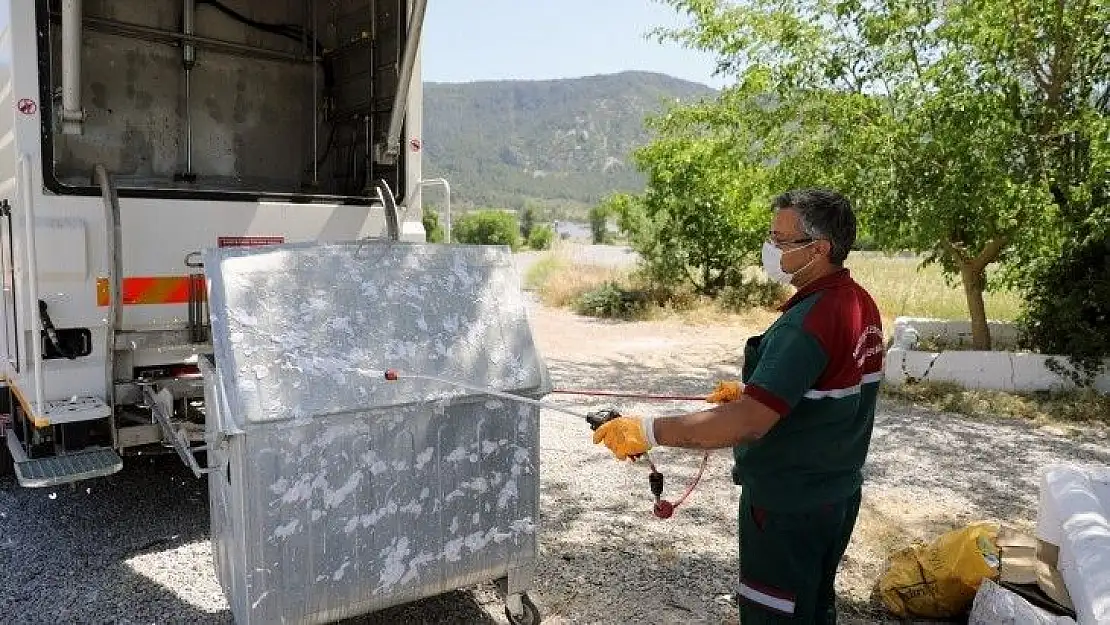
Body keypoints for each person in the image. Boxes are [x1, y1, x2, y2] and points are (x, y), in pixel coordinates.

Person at [591, 188, 885, 624]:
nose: (770, 249)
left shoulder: (810, 321)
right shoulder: (859, 303)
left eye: (781, 240)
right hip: (835, 496)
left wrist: (647, 430)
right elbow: (830, 390)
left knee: (775, 615)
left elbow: (746, 425)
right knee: (813, 608)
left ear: (820, 249)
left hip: (787, 506)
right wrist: (760, 389)